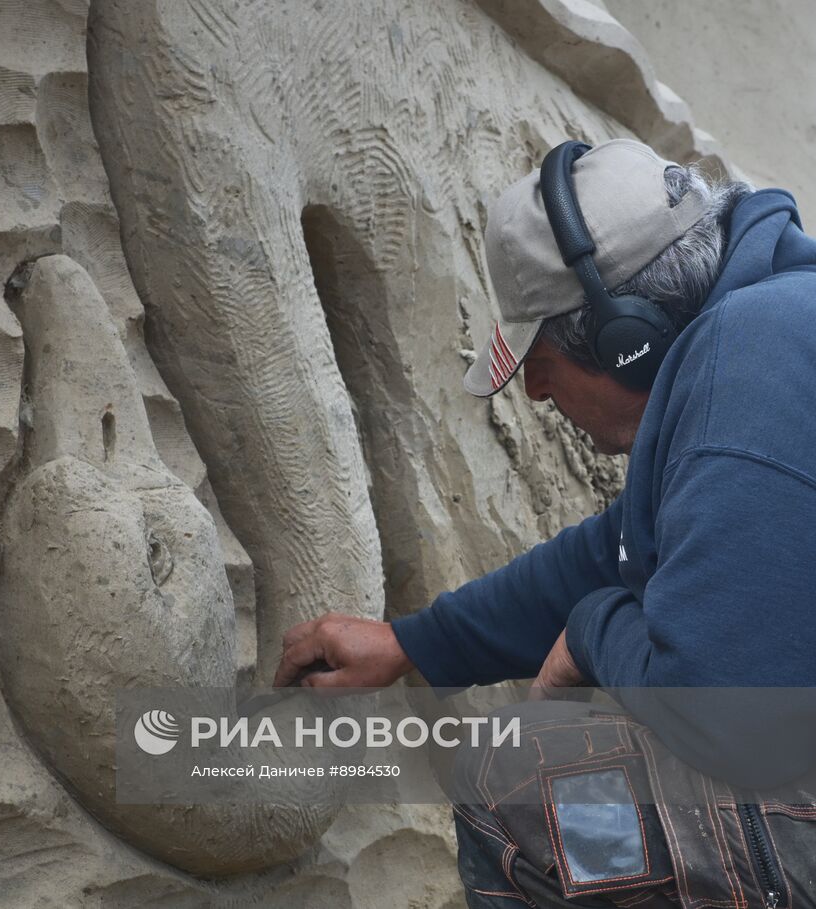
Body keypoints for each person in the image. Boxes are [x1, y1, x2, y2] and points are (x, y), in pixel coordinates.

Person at [273, 138, 816, 907]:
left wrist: (595, 631)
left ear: (624, 342)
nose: (532, 390)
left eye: (539, 360)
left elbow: (720, 718)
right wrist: (412, 641)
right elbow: (617, 549)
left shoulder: (750, 364)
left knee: (517, 781)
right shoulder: (776, 329)